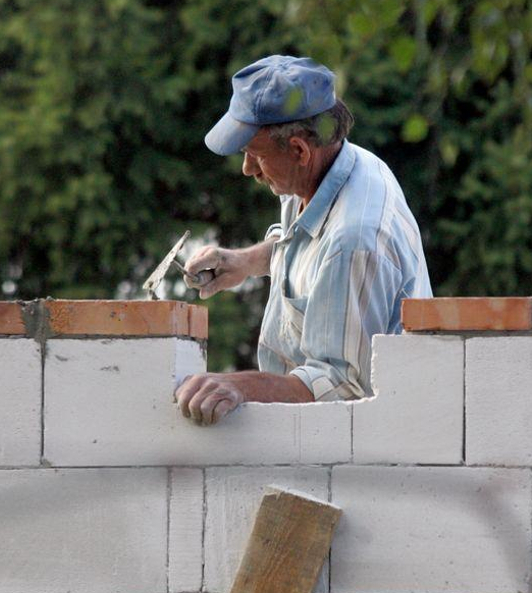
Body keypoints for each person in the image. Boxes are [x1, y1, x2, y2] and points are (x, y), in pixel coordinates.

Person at [175, 55, 432, 425]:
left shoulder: (355, 239)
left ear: (298, 150)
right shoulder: (334, 165)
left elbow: (340, 388)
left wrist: (236, 386)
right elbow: (307, 243)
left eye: (254, 155)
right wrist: (246, 262)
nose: (247, 169)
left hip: (370, 443)